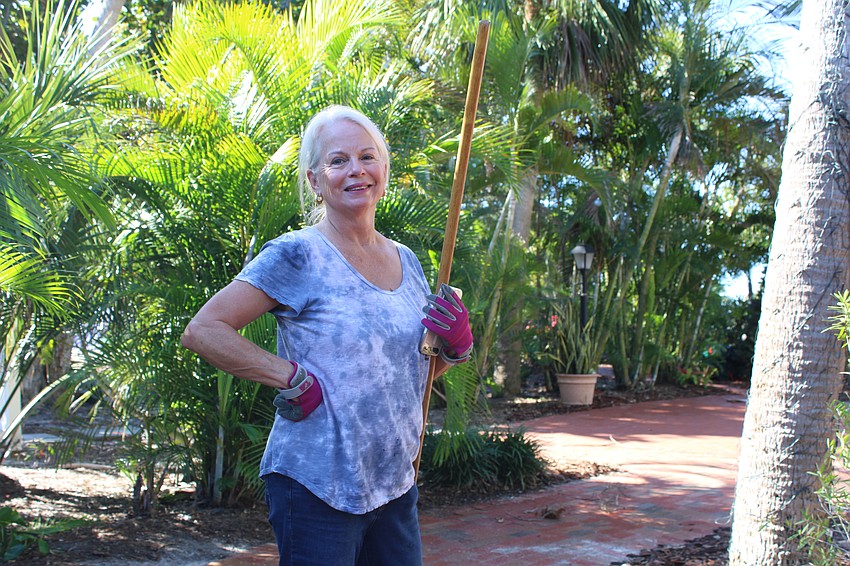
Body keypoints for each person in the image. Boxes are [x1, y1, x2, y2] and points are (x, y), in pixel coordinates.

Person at [181, 105, 473, 566]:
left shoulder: (408, 261)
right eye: (338, 161)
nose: (356, 170)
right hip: (316, 486)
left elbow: (410, 374)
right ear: (316, 181)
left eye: (367, 157)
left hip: (394, 483)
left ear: (383, 168)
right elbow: (204, 330)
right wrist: (288, 375)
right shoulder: (298, 254)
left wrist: (455, 348)